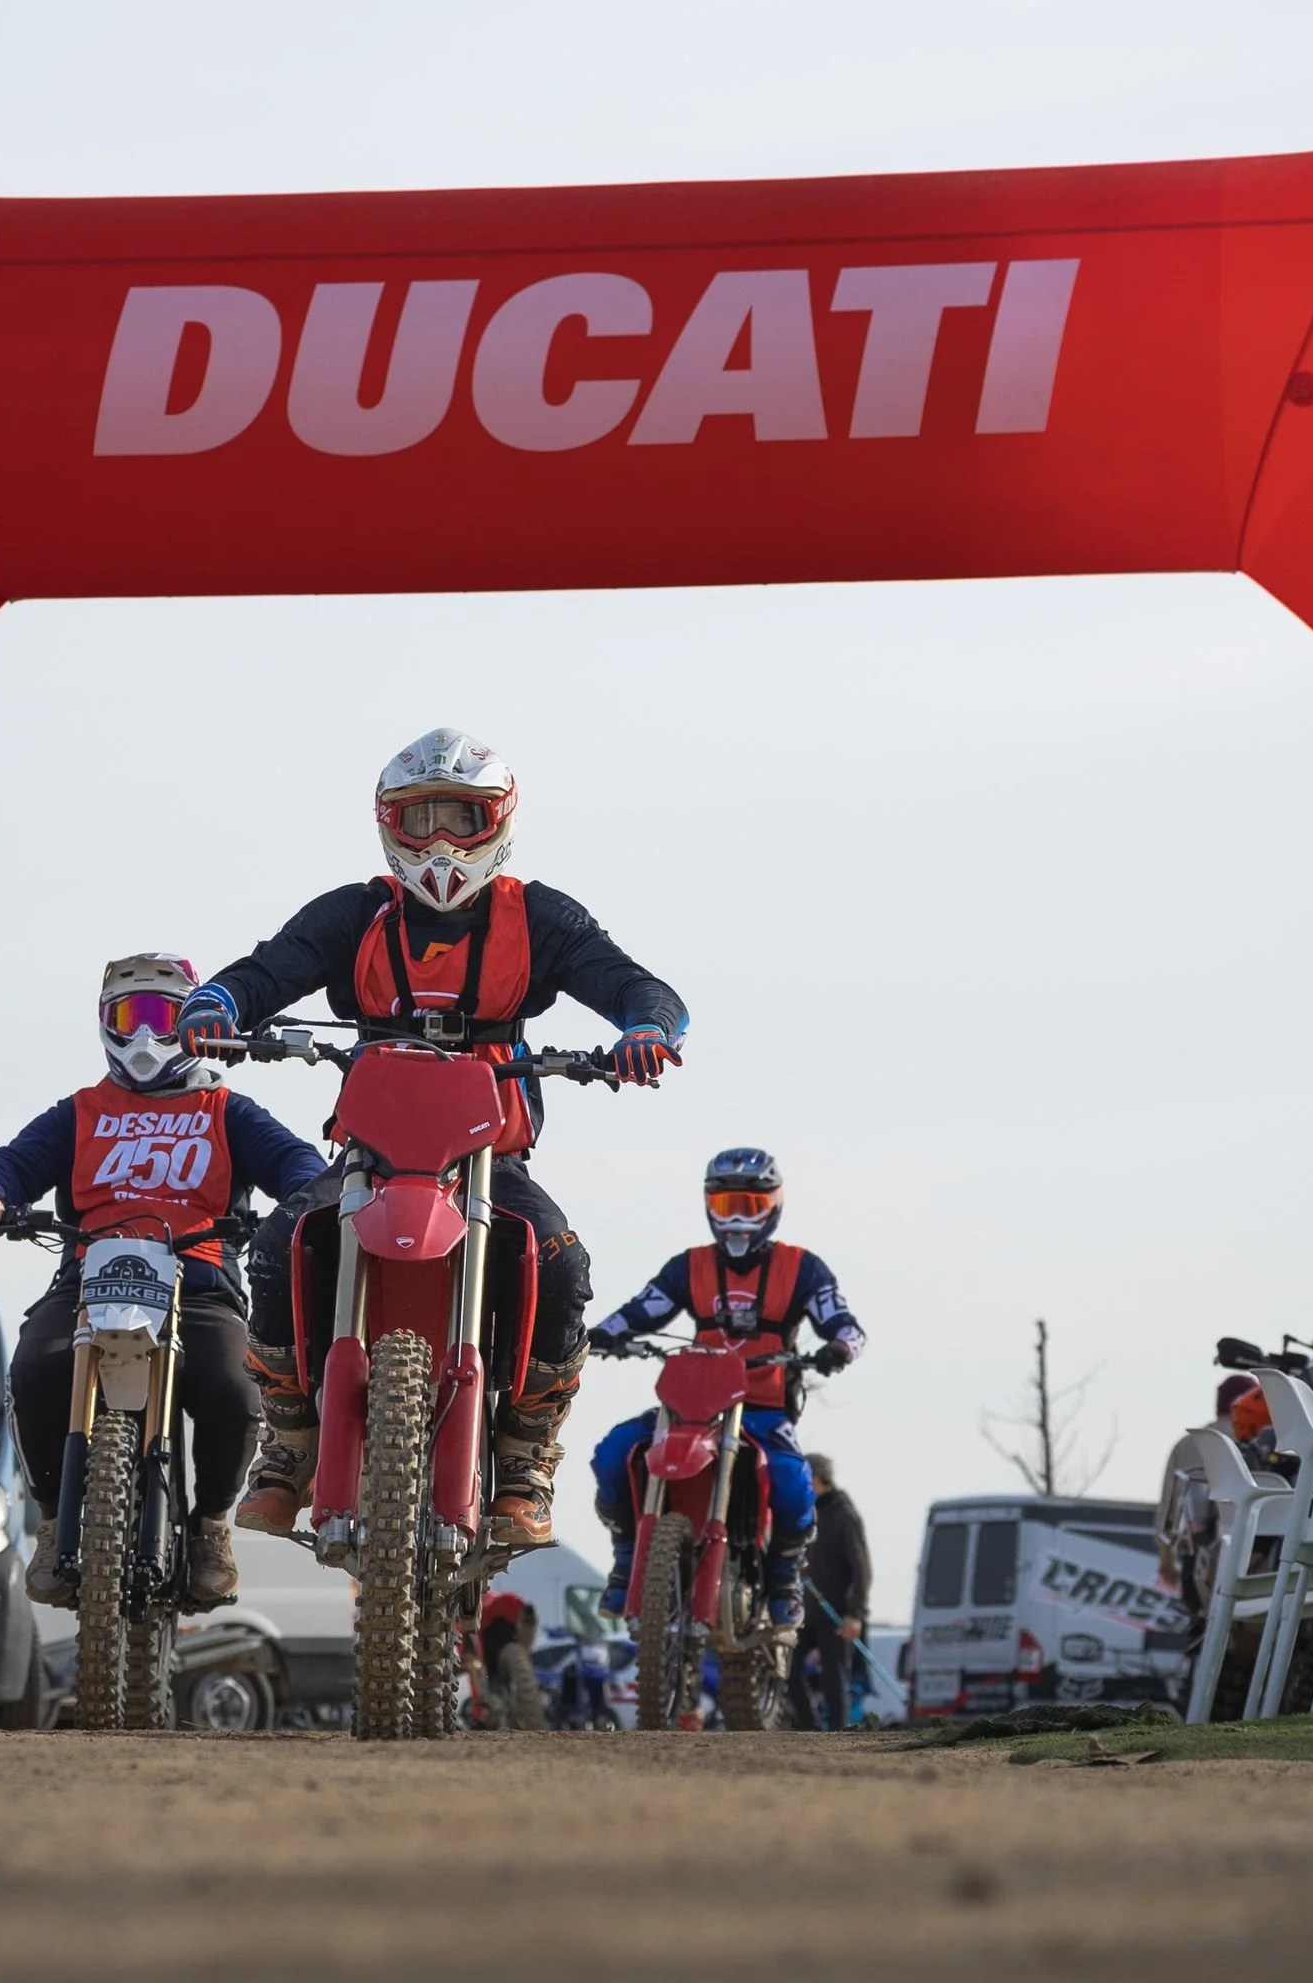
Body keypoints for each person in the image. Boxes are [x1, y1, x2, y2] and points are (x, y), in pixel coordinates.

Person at [179, 728, 686, 1555]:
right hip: (371, 1151)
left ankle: (524, 1459)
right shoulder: (357, 911)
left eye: (462, 816)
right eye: (421, 820)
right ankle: (292, 1439)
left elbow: (632, 980)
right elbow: (271, 966)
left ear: (500, 821)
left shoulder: (540, 915)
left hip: (491, 1156)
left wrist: (648, 1026)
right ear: (389, 825)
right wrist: (219, 1004)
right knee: (277, 1245)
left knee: (559, 1261)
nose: (442, 841)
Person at [0, 953, 327, 1611]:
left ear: (191, 1023)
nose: (148, 1034)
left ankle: (211, 1523)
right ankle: (49, 1519)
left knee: (233, 1387)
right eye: (131, 1016)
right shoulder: (82, 1111)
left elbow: (295, 1160)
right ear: (106, 1024)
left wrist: (307, 1199)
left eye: (165, 1015)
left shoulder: (225, 1107)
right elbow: (12, 1163)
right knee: (36, 1370)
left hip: (200, 1280)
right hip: (87, 1279)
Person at [587, 1147, 865, 1628]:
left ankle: (782, 1582)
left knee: (795, 1486)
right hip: (692, 1408)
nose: (736, 1218)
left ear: (773, 1205)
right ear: (707, 1206)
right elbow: (640, 1311)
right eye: (725, 1205)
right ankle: (627, 1554)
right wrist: (597, 1334)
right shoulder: (688, 1266)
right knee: (613, 1454)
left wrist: (838, 1348)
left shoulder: (802, 1268)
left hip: (761, 1411)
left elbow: (844, 1324)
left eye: (750, 1206)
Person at [790, 1454, 872, 1730]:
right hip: (804, 1614)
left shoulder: (843, 1515)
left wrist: (855, 1614)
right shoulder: (806, 1512)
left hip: (835, 1614)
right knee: (788, 1670)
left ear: (816, 1480)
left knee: (833, 1682)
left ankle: (838, 1737)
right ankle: (809, 1730)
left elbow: (861, 1569)